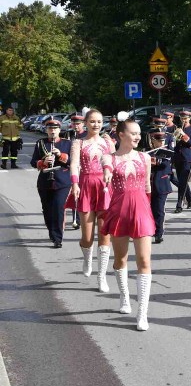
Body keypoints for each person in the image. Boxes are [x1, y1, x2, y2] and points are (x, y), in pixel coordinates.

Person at [101, 116, 156, 331]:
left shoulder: (143, 157)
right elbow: (106, 168)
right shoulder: (110, 158)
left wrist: (150, 214)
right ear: (121, 134)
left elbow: (147, 187)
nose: (137, 136)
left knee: (144, 261)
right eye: (133, 133)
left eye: (139, 133)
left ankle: (142, 313)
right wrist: (106, 174)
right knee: (120, 259)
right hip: (119, 211)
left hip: (141, 210)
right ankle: (125, 297)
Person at [65, 108, 114, 292]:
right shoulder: (78, 142)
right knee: (87, 237)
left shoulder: (107, 142)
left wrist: (109, 170)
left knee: (104, 234)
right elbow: (74, 164)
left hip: (104, 188)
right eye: (92, 121)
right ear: (85, 123)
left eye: (99, 121)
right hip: (85, 186)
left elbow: (112, 162)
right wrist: (75, 183)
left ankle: (102, 277)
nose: (96, 125)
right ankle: (87, 257)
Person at [31, 117, 73, 248]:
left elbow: (73, 162)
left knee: (59, 207)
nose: (52, 131)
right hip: (44, 181)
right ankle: (52, 232)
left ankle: (57, 238)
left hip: (62, 181)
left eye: (55, 128)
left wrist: (61, 155)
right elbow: (33, 162)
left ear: (60, 129)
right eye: (50, 128)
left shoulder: (67, 143)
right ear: (46, 130)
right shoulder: (40, 143)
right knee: (47, 209)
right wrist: (43, 162)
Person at [147, 129, 173, 244]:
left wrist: (155, 162)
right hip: (149, 186)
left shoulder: (167, 152)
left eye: (163, 140)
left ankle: (159, 233)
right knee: (150, 210)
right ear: (154, 141)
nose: (161, 143)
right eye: (159, 141)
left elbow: (165, 166)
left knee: (159, 210)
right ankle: (150, 230)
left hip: (161, 185)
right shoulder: (149, 152)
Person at [63, 113, 86, 230]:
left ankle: (83, 216)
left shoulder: (86, 135)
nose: (76, 126)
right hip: (72, 167)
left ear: (83, 124)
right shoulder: (68, 135)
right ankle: (76, 219)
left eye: (78, 124)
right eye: (74, 124)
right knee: (74, 192)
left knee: (83, 193)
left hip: (84, 168)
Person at [172, 109, 191, 213]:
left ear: (189, 118)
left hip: (187, 159)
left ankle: (179, 204)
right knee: (182, 181)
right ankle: (190, 197)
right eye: (182, 118)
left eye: (185, 118)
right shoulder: (178, 128)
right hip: (178, 157)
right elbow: (173, 142)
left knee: (183, 181)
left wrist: (183, 135)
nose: (184, 120)